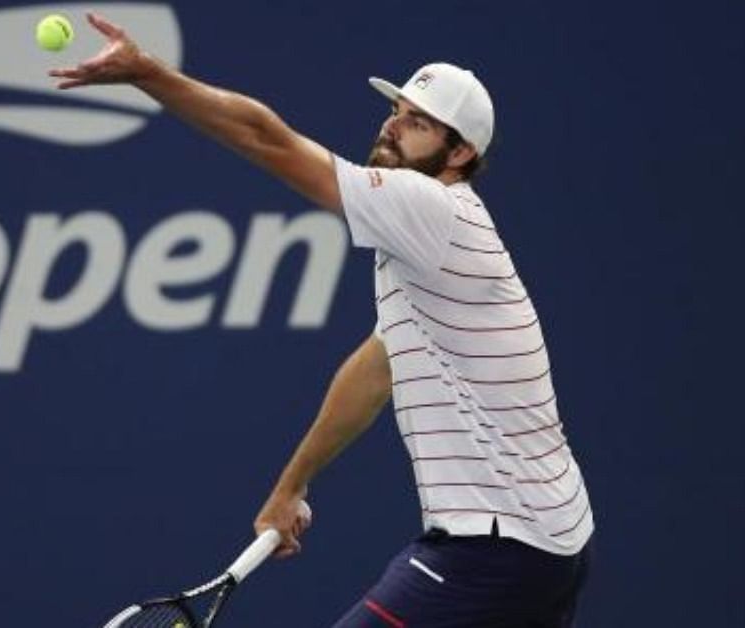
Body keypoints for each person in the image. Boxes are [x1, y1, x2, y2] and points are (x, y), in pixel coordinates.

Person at [51, 13, 594, 627]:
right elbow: (377, 366)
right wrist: (293, 484)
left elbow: (267, 139)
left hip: (496, 545)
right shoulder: (426, 246)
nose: (392, 127)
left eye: (417, 123)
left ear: (460, 152)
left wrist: (149, 75)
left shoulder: (429, 210)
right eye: (396, 110)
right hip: (551, 540)